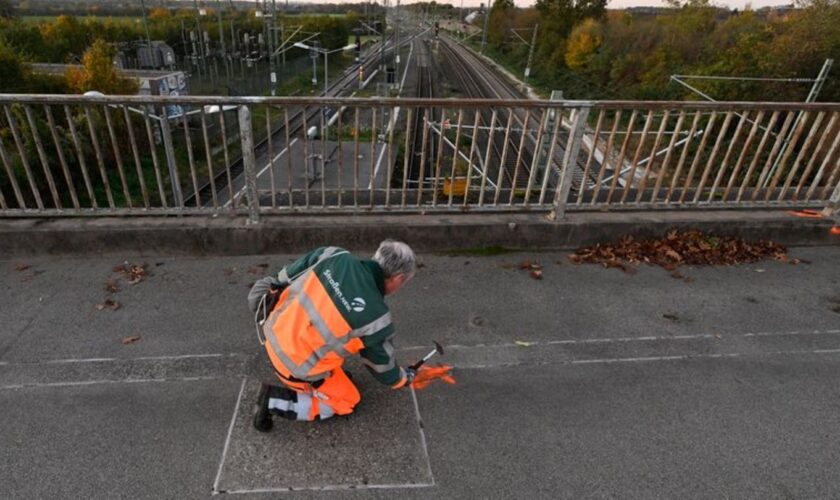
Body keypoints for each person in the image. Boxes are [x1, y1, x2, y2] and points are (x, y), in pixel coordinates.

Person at [247, 240, 417, 432]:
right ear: (397, 278)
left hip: (271, 331)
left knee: (336, 356)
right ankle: (274, 402)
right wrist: (403, 378)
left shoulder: (333, 255)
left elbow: (283, 277)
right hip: (293, 366)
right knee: (348, 400)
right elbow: (383, 368)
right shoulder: (378, 319)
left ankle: (327, 378)